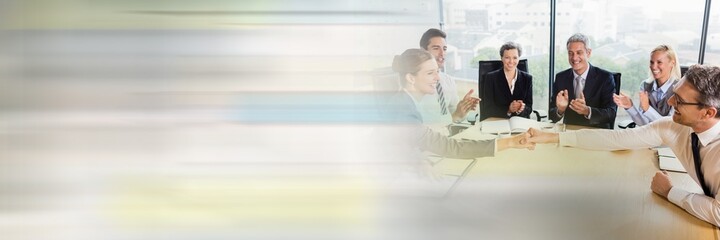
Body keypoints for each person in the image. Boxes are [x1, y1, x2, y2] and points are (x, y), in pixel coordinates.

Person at [527, 64, 720, 227]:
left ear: (708, 113)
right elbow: (616, 138)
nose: (670, 102)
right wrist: (553, 137)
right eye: (673, 94)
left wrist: (670, 191)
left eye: (679, 100)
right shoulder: (673, 127)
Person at [387, 48, 533, 159]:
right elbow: (450, 147)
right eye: (430, 73)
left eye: (437, 72)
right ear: (410, 78)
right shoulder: (403, 112)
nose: (438, 78)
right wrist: (510, 142)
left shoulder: (404, 102)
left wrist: (420, 163)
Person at [549, 33, 617, 129]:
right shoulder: (561, 77)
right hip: (570, 131)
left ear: (588, 53)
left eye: (579, 53)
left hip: (596, 133)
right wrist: (560, 110)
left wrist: (587, 111)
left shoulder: (605, 78)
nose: (574, 58)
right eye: (570, 53)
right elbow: (551, 115)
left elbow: (611, 113)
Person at [418, 28, 478, 125]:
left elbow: (455, 116)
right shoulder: (416, 84)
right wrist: (456, 116)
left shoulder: (448, 81)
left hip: (448, 135)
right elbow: (426, 126)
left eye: (444, 49)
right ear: (423, 51)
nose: (442, 54)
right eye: (436, 48)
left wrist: (463, 109)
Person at [614, 45, 681, 126]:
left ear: (672, 63)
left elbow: (669, 126)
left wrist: (647, 109)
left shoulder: (679, 90)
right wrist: (630, 106)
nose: (653, 67)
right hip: (647, 135)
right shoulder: (645, 85)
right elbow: (643, 124)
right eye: (652, 62)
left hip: (666, 138)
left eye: (659, 62)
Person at [481, 41, 533, 119]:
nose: (511, 61)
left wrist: (521, 108)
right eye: (507, 57)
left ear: (519, 58)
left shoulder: (527, 78)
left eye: (515, 58)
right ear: (501, 58)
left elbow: (529, 107)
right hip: (497, 123)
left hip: (519, 123)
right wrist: (508, 109)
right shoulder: (491, 78)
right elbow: (487, 108)